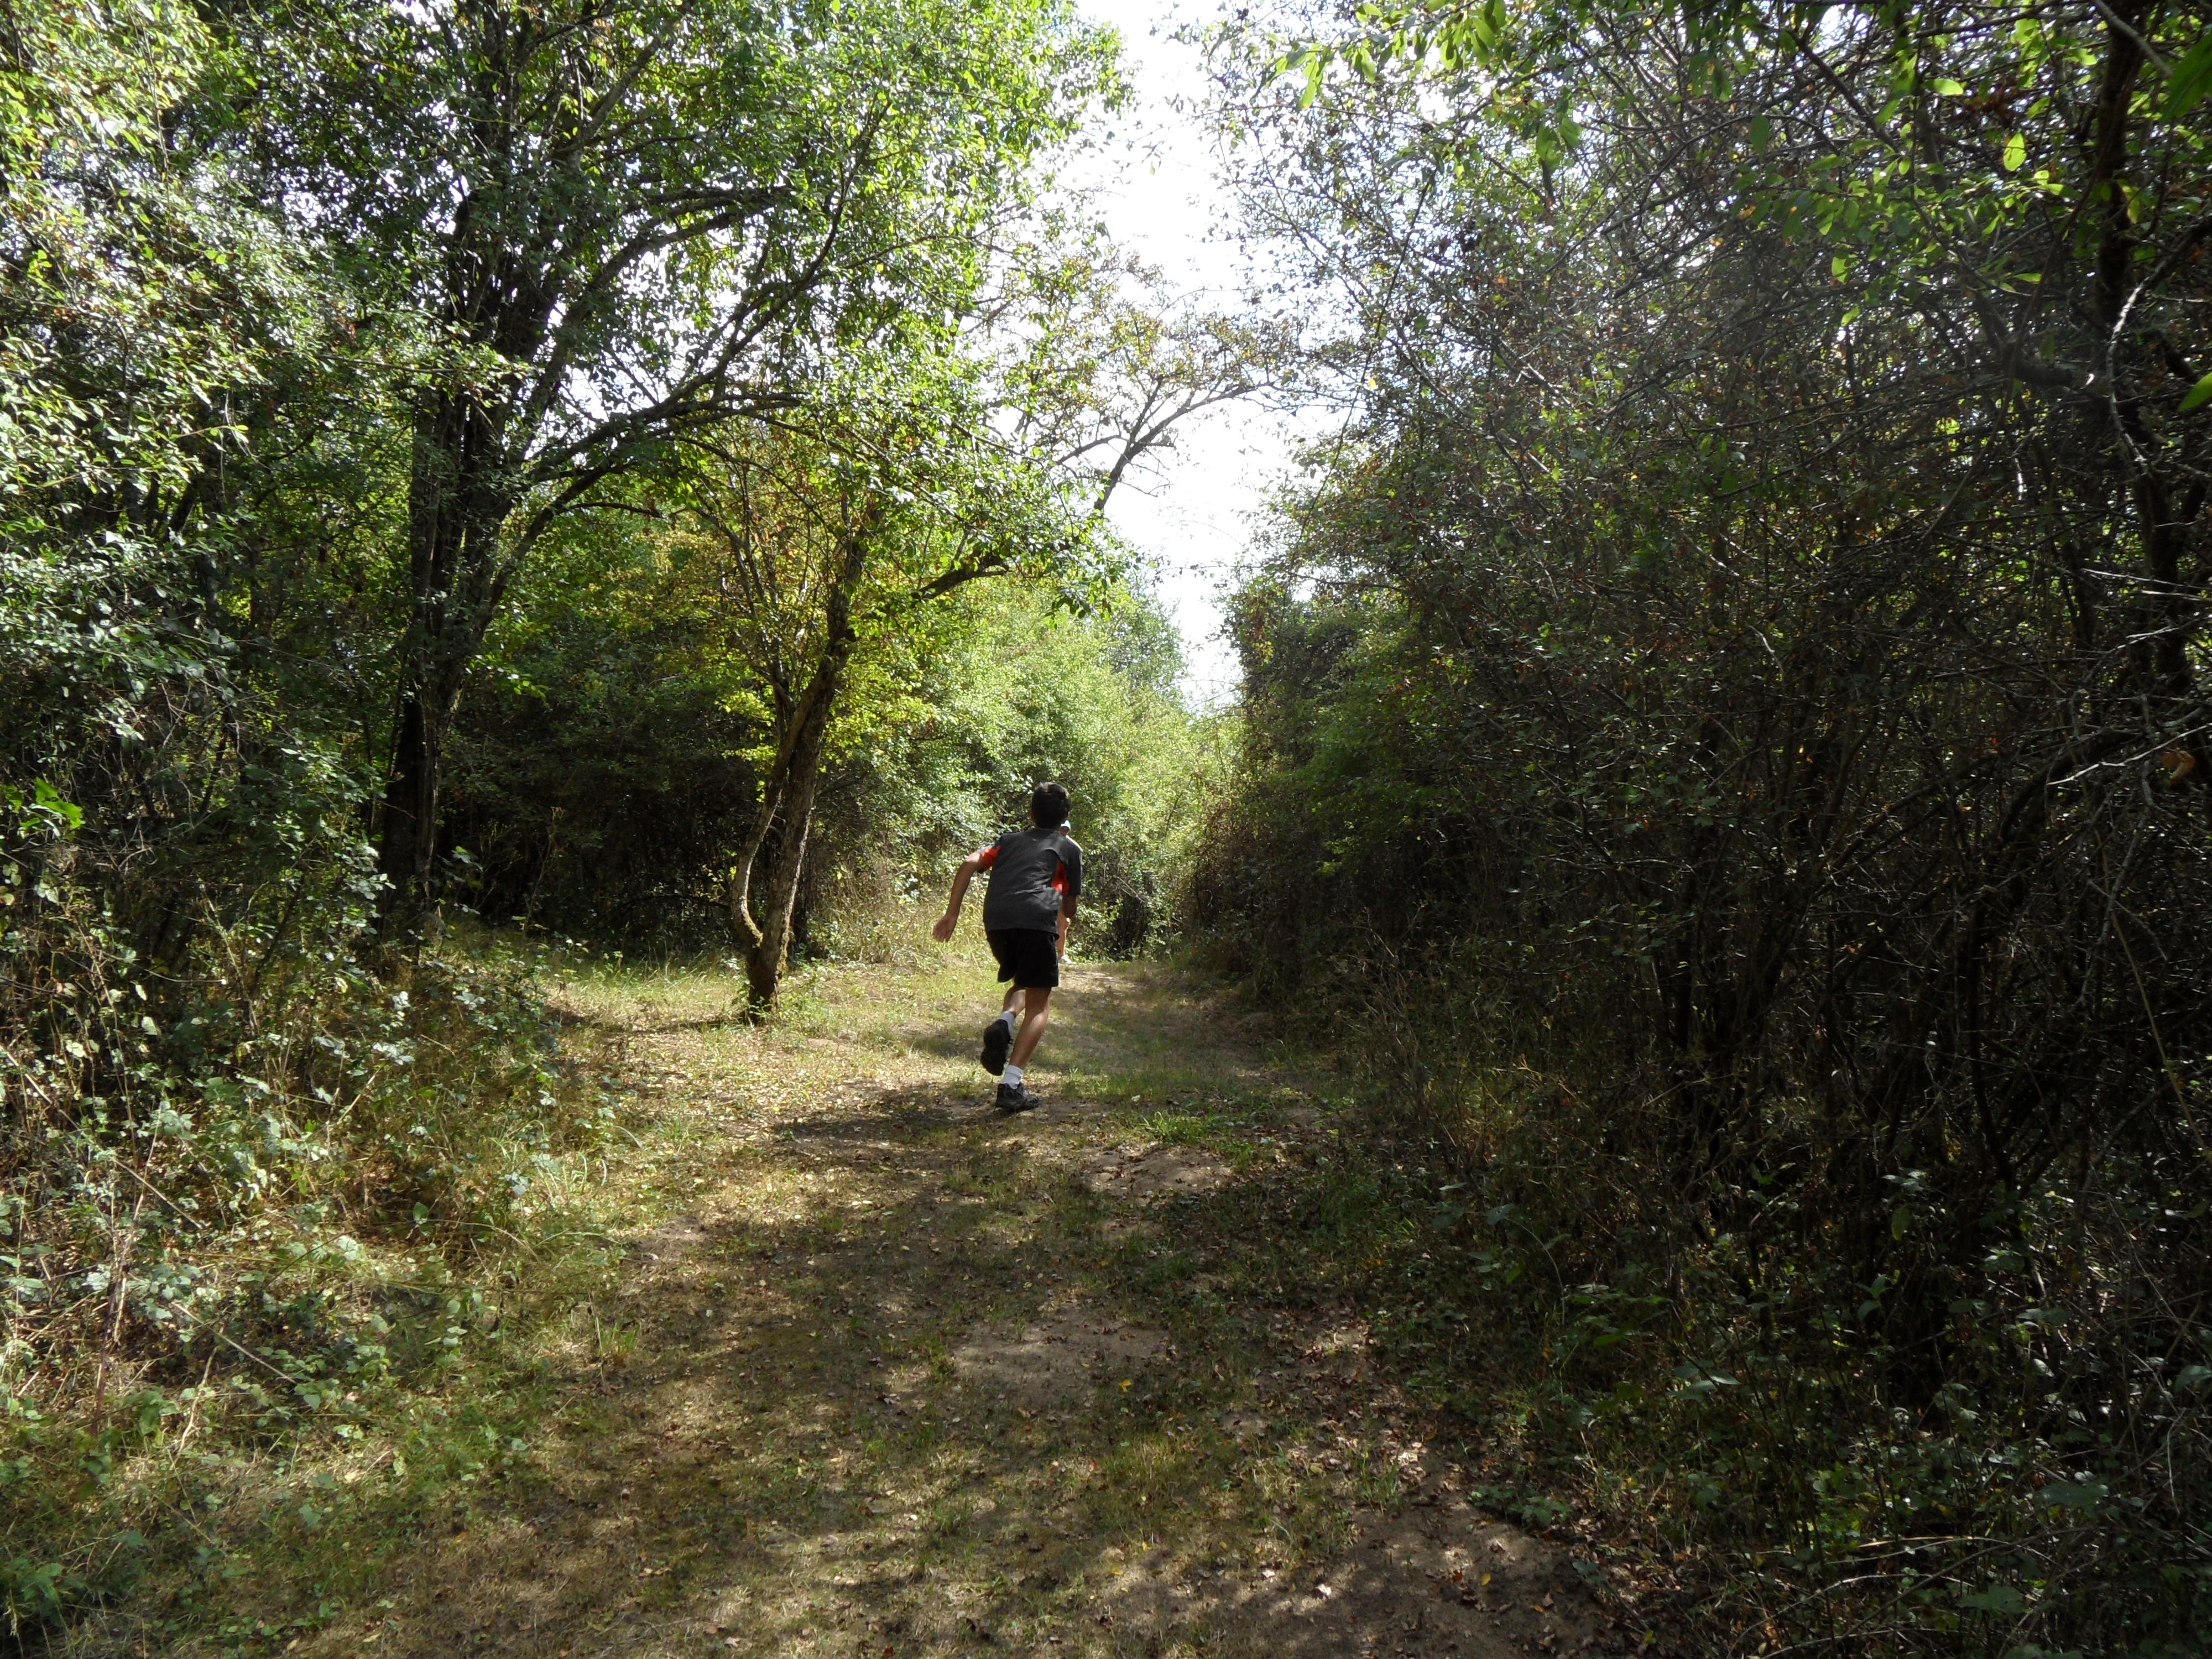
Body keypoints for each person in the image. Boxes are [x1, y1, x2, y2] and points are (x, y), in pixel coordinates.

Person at [931, 781, 1082, 1112]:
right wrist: (1064, 905)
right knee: (1040, 1003)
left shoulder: (1008, 841)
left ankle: (1005, 1021)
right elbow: (1069, 909)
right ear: (1066, 818)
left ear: (1031, 813)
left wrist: (951, 915)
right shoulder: (1069, 847)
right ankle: (1011, 1085)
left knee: (1023, 982)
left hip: (997, 923)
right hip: (1036, 920)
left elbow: (970, 862)